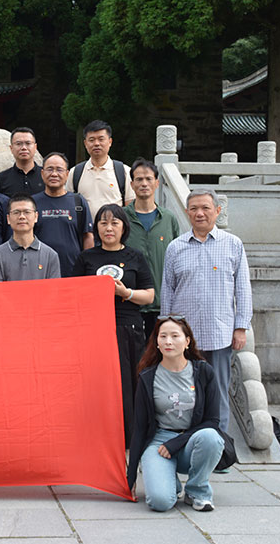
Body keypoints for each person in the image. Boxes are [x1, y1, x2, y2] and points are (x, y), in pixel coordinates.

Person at [161, 189, 251, 433]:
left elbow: (243, 289)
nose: (199, 213)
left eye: (205, 208)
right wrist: (166, 331)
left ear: (217, 211)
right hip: (185, 336)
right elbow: (167, 291)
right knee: (184, 391)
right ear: (187, 212)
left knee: (219, 390)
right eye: (194, 209)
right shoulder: (175, 247)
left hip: (219, 333)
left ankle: (219, 444)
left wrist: (241, 327)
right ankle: (188, 440)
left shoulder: (233, 244)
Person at [72, 204, 154, 448]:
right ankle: (97, 435)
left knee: (129, 381)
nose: (109, 228)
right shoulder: (86, 257)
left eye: (114, 223)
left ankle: (131, 436)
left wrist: (127, 293)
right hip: (95, 328)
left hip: (128, 328)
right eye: (103, 223)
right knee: (97, 383)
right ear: (96, 228)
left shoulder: (135, 257)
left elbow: (149, 296)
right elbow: (74, 294)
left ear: (124, 227)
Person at [127, 316, 225, 512]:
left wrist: (176, 443)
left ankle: (197, 491)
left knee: (211, 437)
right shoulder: (148, 376)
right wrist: (130, 477)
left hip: (192, 441)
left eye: (174, 336)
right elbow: (139, 428)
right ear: (157, 342)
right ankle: (169, 481)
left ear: (187, 341)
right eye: (163, 336)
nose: (168, 342)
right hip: (159, 444)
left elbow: (212, 421)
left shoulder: (203, 371)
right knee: (160, 502)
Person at [123, 158, 180, 335]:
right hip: (130, 302)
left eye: (148, 179)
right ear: (132, 185)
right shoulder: (122, 218)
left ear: (157, 183)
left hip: (162, 304)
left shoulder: (168, 219)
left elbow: (178, 259)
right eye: (139, 179)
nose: (144, 183)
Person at [33, 152, 94, 275]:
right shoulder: (32, 203)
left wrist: (88, 266)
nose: (54, 174)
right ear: (42, 173)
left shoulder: (78, 201)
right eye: (50, 169)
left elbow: (87, 236)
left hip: (73, 270)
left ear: (67, 174)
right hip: (39, 271)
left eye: (59, 170)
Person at [66, 119, 135, 217]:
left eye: (101, 139)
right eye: (91, 140)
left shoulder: (124, 172)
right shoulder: (75, 173)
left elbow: (130, 208)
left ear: (110, 142)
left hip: (113, 226)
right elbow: (68, 205)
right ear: (85, 143)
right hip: (84, 227)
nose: (96, 143)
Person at [0, 194, 60, 282]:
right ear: (8, 219)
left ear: (36, 217)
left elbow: (53, 289)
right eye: (16, 212)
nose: (22, 216)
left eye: (27, 212)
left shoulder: (50, 255)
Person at [0, 127, 43, 196]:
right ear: (11, 148)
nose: (24, 148)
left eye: (28, 143)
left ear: (35, 147)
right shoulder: (1, 179)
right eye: (18, 144)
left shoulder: (46, 175)